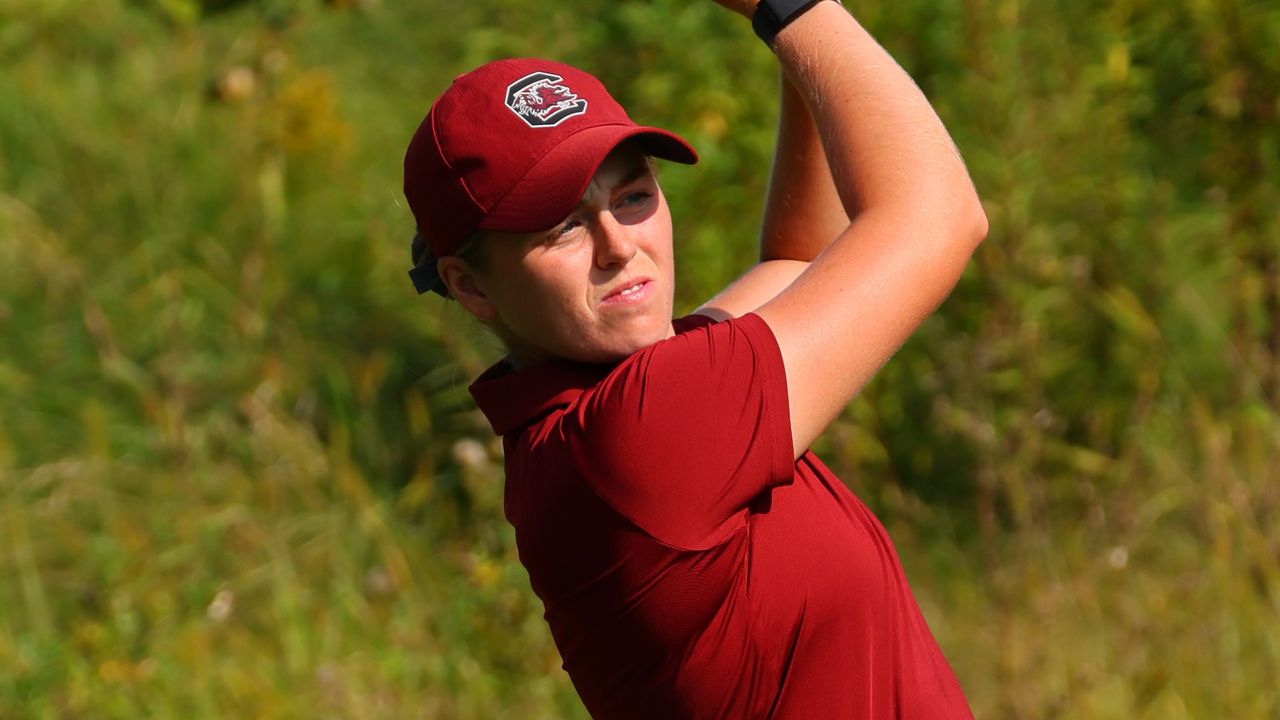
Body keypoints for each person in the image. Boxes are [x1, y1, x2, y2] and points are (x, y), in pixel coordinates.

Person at [402, 0, 987, 716]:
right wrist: (796, 10)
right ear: (470, 286)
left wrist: (804, 49)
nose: (620, 246)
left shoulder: (602, 413)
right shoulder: (640, 435)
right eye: (562, 228)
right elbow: (941, 217)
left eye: (634, 195)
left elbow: (801, 261)